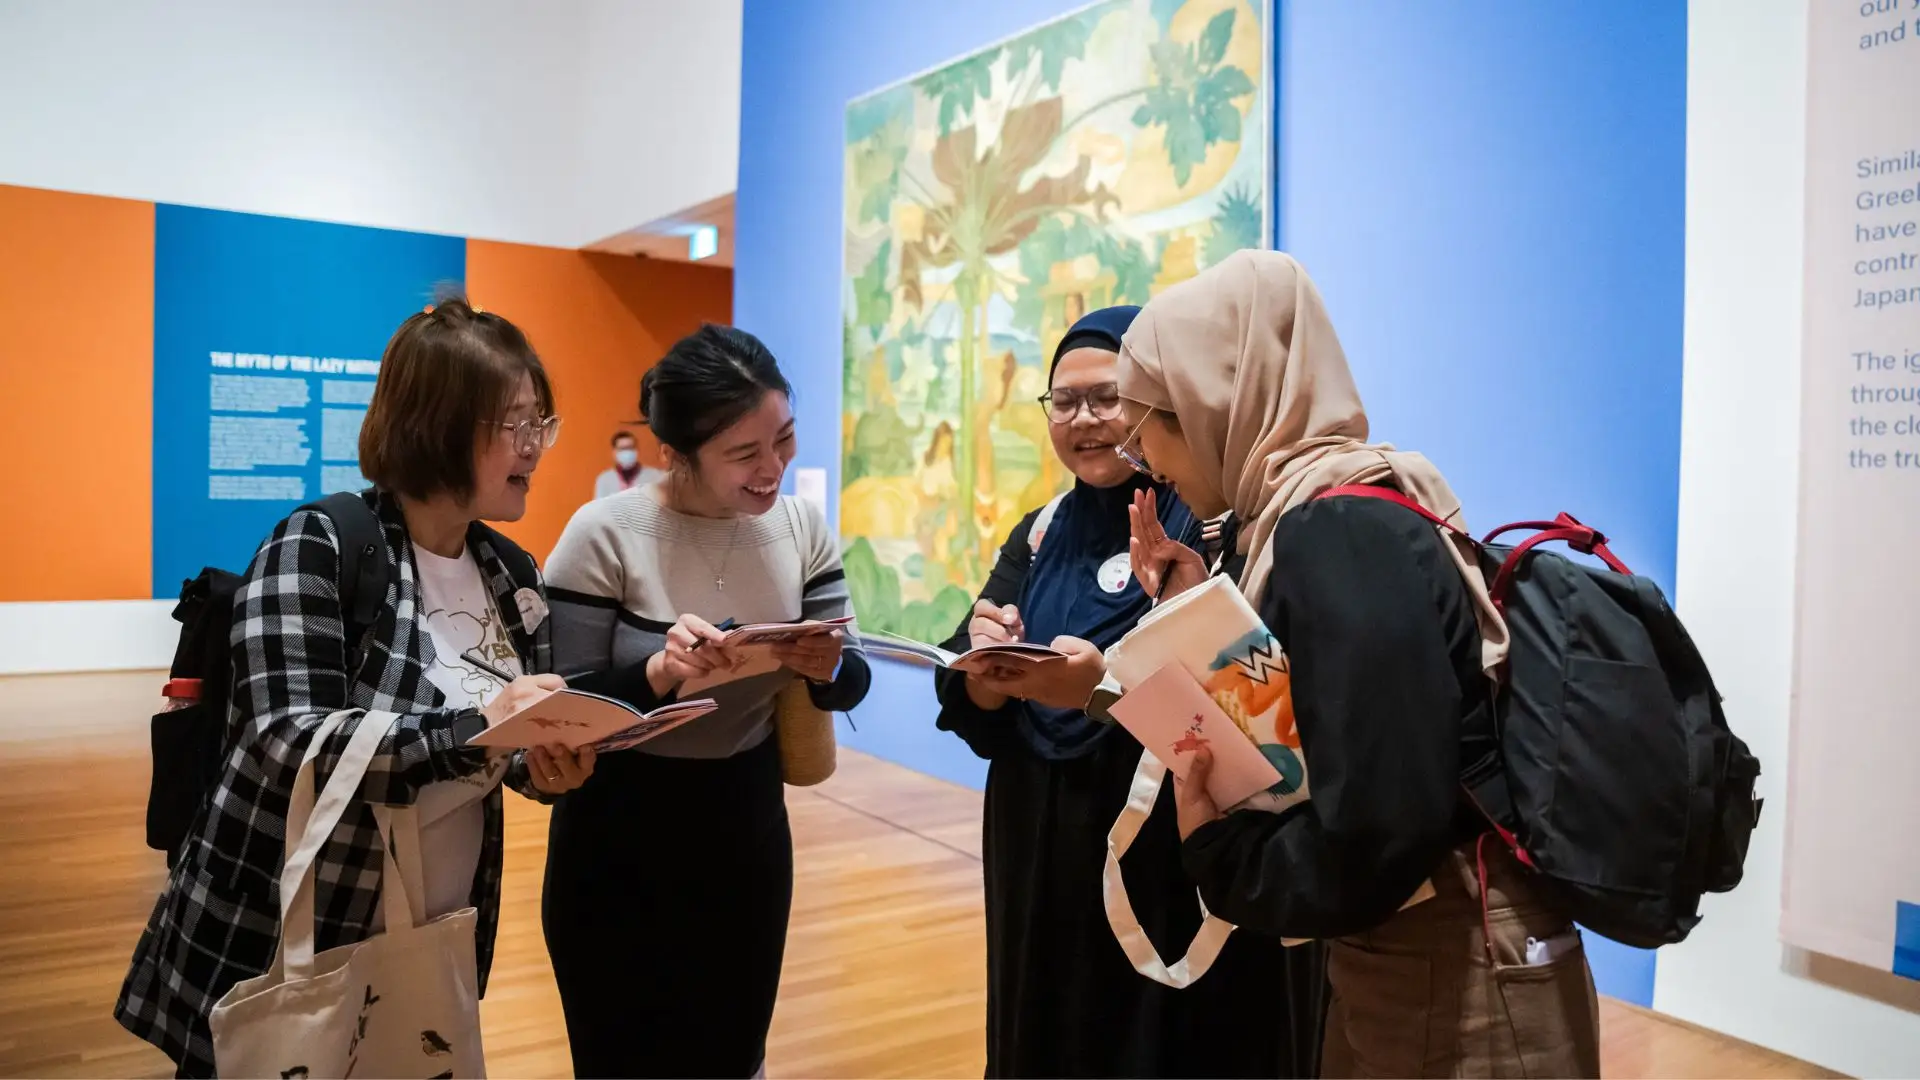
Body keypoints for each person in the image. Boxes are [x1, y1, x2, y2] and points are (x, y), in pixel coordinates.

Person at [1113, 250, 1602, 1078]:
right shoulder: (1325, 514)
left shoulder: (1337, 530)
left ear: (1207, 400)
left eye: (1141, 432)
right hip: (1419, 943)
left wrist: (1224, 857)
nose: (1147, 464)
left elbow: (1383, 819)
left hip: (1454, 960)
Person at [115, 297, 597, 1078]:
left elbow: (498, 751)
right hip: (290, 930)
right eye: (515, 423)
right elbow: (286, 738)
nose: (534, 446)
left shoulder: (513, 575)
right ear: (439, 426)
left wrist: (543, 762)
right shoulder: (321, 542)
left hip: (429, 935)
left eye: (541, 422)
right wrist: (475, 729)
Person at [933, 306, 1326, 1079]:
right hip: (1038, 843)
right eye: (1065, 401)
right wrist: (989, 671)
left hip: (1167, 849)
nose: (1084, 419)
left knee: (1165, 1042)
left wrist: (1101, 689)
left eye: (1107, 397)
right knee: (1046, 1029)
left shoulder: (1210, 525)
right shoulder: (1039, 532)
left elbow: (1255, 712)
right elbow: (965, 694)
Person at [542, 324, 872, 1079]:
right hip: (616, 840)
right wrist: (661, 670)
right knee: (621, 1060)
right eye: (744, 453)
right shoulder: (605, 533)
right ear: (677, 454)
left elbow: (852, 680)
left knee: (733, 1055)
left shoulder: (800, 526)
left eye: (783, 439)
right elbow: (566, 709)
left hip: (745, 833)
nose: (773, 468)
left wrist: (827, 666)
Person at [595, 429, 663, 499]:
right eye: (622, 448)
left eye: (630, 447)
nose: (627, 451)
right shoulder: (604, 479)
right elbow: (598, 504)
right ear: (614, 452)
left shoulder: (655, 476)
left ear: (637, 449)